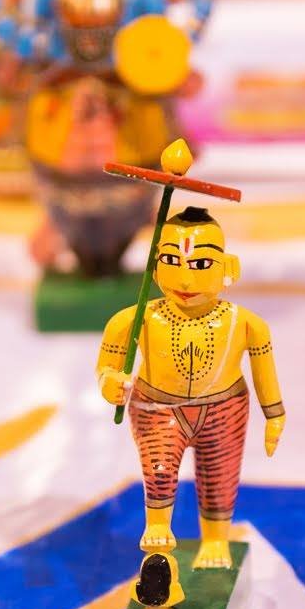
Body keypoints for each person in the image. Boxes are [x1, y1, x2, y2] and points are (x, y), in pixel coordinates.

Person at [96, 206, 285, 569]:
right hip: (157, 407)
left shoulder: (246, 324)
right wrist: (109, 381)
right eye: (170, 260)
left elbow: (265, 372)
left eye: (200, 264)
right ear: (154, 266)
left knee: (220, 475)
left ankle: (215, 540)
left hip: (225, 408)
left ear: (229, 268)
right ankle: (157, 525)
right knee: (159, 468)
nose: (184, 281)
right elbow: (108, 365)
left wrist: (274, 415)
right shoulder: (135, 319)